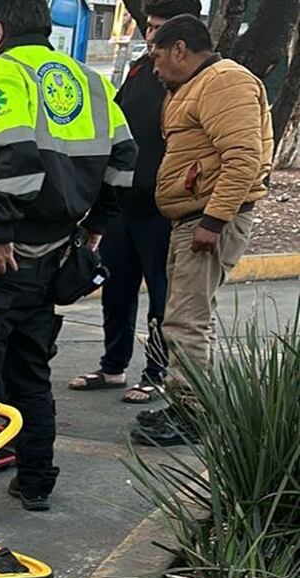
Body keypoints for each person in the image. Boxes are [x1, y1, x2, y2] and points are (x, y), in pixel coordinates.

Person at [0, 0, 136, 511]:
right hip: (50, 260)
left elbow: (17, 162)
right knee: (29, 375)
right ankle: (37, 481)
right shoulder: (88, 81)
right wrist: (94, 227)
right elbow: (125, 159)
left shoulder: (1, 74)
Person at [132, 15, 273, 447]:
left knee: (187, 321)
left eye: (157, 55)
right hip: (192, 218)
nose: (154, 66)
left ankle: (191, 415)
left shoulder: (224, 81)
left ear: (179, 48)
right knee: (183, 317)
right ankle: (185, 405)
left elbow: (243, 158)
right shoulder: (193, 86)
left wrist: (213, 221)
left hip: (207, 220)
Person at [68, 0, 201, 406]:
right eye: (149, 27)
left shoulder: (197, 81)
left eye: (160, 29)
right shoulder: (143, 69)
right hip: (123, 203)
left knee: (163, 299)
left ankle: (156, 374)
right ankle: (113, 366)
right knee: (115, 288)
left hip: (164, 210)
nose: (151, 36)